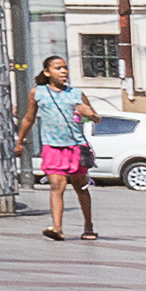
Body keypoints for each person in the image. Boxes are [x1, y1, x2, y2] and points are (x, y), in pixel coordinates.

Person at [22, 54, 99, 241]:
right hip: (52, 147)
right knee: (57, 186)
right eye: (58, 68)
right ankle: (57, 228)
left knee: (81, 187)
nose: (63, 71)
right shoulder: (38, 93)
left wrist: (90, 114)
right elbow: (29, 118)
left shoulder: (76, 94)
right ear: (47, 72)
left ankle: (88, 226)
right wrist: (19, 140)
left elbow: (95, 118)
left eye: (65, 68)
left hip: (76, 147)